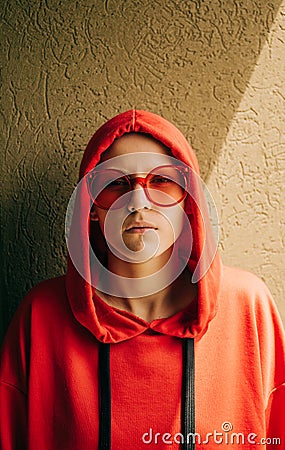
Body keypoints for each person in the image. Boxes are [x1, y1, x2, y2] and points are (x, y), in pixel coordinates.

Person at [0, 109, 284, 450]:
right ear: (91, 206)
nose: (138, 201)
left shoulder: (247, 306)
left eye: (163, 181)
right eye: (115, 184)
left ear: (188, 201)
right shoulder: (42, 315)